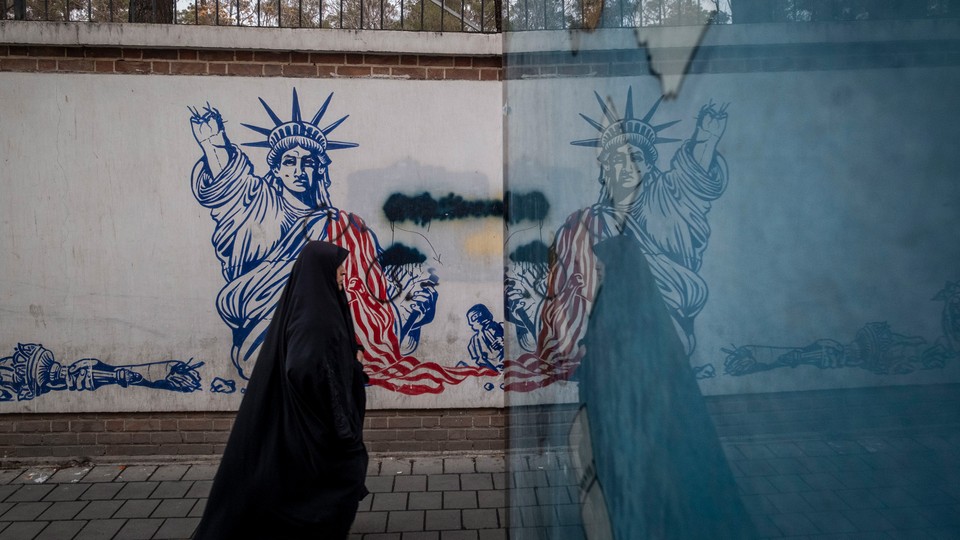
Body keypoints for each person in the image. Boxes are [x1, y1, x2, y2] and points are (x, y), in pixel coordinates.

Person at [189, 90, 494, 395]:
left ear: (319, 169)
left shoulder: (345, 226)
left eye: (308, 162)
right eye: (290, 161)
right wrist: (213, 144)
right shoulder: (259, 205)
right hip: (265, 326)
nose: (299, 170)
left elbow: (370, 284)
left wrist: (402, 291)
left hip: (329, 330)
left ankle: (402, 321)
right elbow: (230, 186)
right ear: (277, 169)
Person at [505, 89, 729, 391]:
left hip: (662, 326)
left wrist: (706, 138)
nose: (624, 166)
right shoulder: (580, 225)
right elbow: (562, 290)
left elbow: (693, 182)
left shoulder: (669, 203)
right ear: (604, 170)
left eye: (633, 158)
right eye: (615, 159)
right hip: (599, 338)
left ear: (649, 166)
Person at [575, 235, 755, 539]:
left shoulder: (624, 314)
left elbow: (624, 373)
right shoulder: (631, 309)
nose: (599, 276)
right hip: (628, 430)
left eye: (603, 270)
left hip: (633, 433)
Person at [194, 241, 369, 539]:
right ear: (321, 270)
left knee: (310, 479)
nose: (343, 272)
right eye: (338, 266)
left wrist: (351, 356)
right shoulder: (314, 317)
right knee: (342, 472)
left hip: (314, 417)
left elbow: (333, 346)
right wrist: (330, 403)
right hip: (316, 420)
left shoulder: (317, 302)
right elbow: (303, 366)